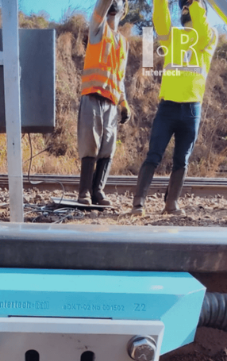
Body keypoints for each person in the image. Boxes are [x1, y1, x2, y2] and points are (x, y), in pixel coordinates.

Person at [131, 0, 217, 216]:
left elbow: (203, 32)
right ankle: (138, 203)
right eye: (183, 6)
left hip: (191, 109)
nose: (185, 8)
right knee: (154, 155)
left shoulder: (210, 35)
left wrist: (195, 3)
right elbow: (160, 19)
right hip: (168, 107)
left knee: (182, 159)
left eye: (190, 5)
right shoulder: (172, 36)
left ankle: (171, 204)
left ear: (201, 11)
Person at [77, 0, 130, 207]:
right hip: (92, 95)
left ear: (123, 11)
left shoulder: (123, 43)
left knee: (107, 147)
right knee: (90, 144)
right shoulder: (98, 28)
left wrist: (124, 102)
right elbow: (101, 6)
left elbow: (120, 77)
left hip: (111, 102)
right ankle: (84, 192)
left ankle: (98, 191)